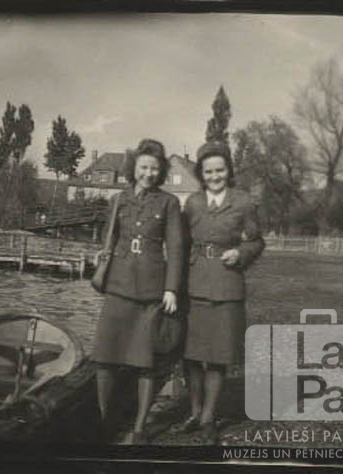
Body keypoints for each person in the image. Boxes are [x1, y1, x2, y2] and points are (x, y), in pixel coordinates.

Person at [91, 138, 183, 444]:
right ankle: (104, 422)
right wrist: (101, 258)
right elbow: (110, 238)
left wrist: (171, 288)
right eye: (144, 167)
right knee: (105, 357)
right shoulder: (119, 199)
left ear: (162, 171)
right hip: (118, 287)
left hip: (150, 292)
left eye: (154, 168)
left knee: (145, 363)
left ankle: (140, 429)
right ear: (133, 168)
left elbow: (176, 249)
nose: (148, 174)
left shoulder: (169, 203)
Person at [180, 141, 264, 443]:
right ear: (201, 174)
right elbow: (181, 244)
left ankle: (208, 418)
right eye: (208, 171)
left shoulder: (244, 203)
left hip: (227, 285)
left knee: (217, 356)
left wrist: (241, 253)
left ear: (228, 171)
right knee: (191, 355)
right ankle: (194, 411)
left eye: (220, 170)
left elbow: (257, 241)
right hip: (194, 284)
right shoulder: (192, 203)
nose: (214, 176)